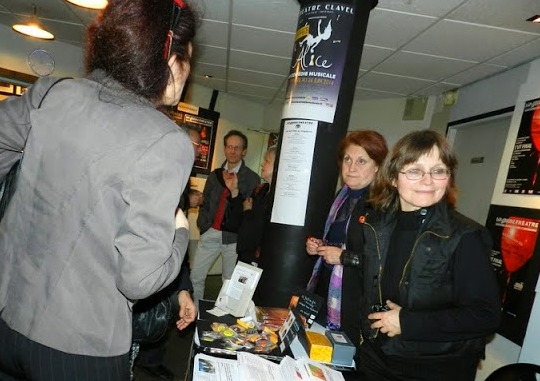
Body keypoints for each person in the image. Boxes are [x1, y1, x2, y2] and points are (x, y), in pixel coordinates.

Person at [0, 0, 198, 380]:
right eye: (187, 57)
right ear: (170, 60)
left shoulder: (51, 92)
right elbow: (139, 278)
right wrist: (179, 232)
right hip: (78, 345)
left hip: (7, 319)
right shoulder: (165, 140)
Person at [357, 130, 501, 381]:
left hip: (434, 368)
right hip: (376, 356)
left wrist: (407, 322)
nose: (428, 181)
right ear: (393, 177)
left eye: (438, 170)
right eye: (414, 171)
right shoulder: (377, 224)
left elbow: (485, 315)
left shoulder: (465, 236)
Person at [306, 130, 388, 345]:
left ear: (377, 165)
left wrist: (344, 257)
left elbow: (384, 265)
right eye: (347, 159)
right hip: (328, 288)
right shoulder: (341, 197)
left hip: (354, 300)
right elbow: (339, 240)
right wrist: (319, 246)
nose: (352, 168)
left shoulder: (382, 206)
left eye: (362, 161)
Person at [135, 125, 202, 381]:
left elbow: (175, 244)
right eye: (192, 144)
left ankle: (149, 358)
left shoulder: (181, 178)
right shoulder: (151, 176)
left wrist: (183, 290)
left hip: (164, 270)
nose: (196, 150)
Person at [190, 130, 260, 303]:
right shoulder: (215, 175)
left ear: (244, 151)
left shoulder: (252, 178)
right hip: (210, 234)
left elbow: (249, 209)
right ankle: (195, 315)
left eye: (237, 147)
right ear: (225, 148)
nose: (232, 151)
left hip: (233, 239)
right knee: (195, 277)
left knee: (229, 283)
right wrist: (204, 225)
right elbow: (205, 202)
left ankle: (224, 320)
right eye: (229, 146)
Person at [235, 146, 277, 267]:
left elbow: (260, 222)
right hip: (246, 248)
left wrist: (248, 210)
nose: (262, 164)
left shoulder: (280, 196)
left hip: (260, 253)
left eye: (267, 161)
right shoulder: (262, 189)